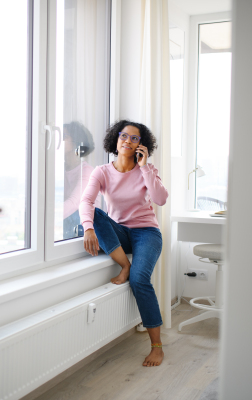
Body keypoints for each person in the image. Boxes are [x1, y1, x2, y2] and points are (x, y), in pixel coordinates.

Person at [79, 119, 168, 367]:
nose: (127, 141)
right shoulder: (102, 172)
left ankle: (157, 346)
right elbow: (86, 202)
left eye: (134, 138)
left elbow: (160, 199)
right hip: (120, 233)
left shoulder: (146, 171)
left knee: (140, 280)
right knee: (96, 214)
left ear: (142, 145)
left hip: (147, 233)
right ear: (115, 140)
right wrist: (88, 228)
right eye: (124, 136)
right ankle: (124, 266)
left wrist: (146, 167)